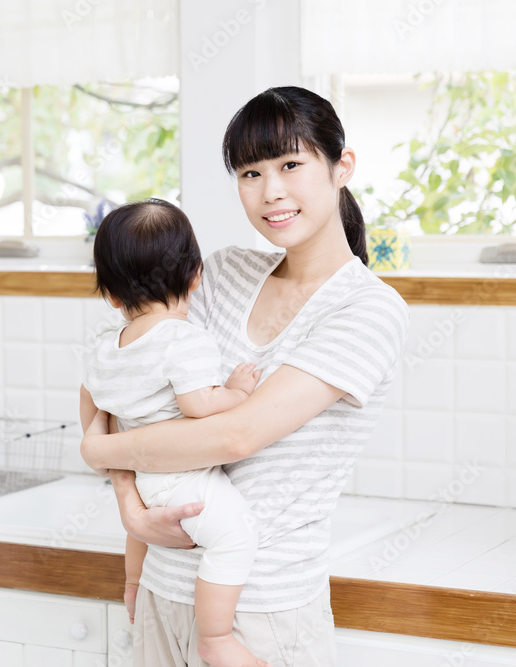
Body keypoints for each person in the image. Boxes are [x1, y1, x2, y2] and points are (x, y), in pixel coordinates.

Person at [80, 86, 409, 667]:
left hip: (263, 611)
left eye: (290, 164)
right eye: (250, 173)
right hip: (162, 588)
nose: (271, 192)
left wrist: (98, 450)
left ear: (341, 168)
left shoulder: (368, 309)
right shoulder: (224, 271)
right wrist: (128, 503)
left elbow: (235, 435)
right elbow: (129, 387)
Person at [79, 198, 269, 667]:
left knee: (141, 525)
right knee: (236, 537)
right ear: (195, 276)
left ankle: (132, 585)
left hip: (142, 477)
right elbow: (198, 404)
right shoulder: (186, 340)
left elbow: (91, 401)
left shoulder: (106, 346)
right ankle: (217, 637)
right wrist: (237, 392)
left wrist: (96, 440)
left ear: (112, 295)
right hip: (184, 477)